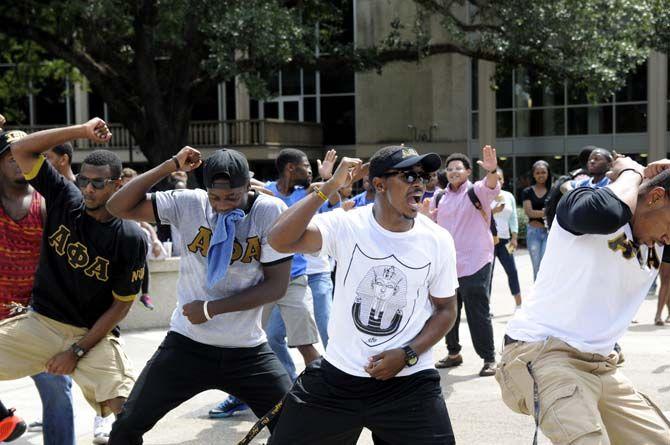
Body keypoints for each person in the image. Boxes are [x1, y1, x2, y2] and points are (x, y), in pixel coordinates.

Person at [267, 145, 458, 445]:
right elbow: (278, 239)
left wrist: (407, 355)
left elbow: (447, 310)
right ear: (379, 184)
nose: (419, 183)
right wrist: (329, 186)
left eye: (424, 176)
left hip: (409, 384)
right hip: (338, 379)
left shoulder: (438, 240)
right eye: (409, 175)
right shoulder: (347, 225)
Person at [106, 146, 293, 443]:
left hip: (247, 350)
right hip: (187, 345)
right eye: (215, 197)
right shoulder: (188, 203)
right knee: (127, 425)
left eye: (232, 197)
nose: (222, 206)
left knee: (295, 427)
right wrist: (169, 165)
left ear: (248, 185)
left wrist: (210, 309)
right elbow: (117, 206)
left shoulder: (269, 211)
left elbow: (276, 286)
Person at [497, 156, 670, 444]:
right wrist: (631, 172)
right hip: (543, 355)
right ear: (655, 197)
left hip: (601, 366)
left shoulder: (660, 236)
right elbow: (603, 213)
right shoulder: (584, 202)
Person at [1, 119, 146, 421]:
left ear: (118, 185)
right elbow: (20, 148)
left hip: (91, 335)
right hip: (42, 324)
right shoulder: (65, 199)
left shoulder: (129, 237)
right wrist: (81, 130)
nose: (89, 189)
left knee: (127, 408)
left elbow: (120, 307)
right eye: (84, 181)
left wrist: (76, 352)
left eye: (98, 184)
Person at [0, 130, 76, 445]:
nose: (19, 162)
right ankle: (4, 419)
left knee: (57, 388)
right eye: (10, 157)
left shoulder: (47, 205)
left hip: (36, 319)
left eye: (25, 156)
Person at [432, 148, 500, 377]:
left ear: (468, 171)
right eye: (449, 169)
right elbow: (430, 223)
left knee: (477, 311)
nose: (453, 172)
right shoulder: (439, 196)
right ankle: (453, 353)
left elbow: (491, 184)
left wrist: (491, 170)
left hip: (476, 261)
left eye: (458, 168)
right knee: (447, 309)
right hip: (448, 264)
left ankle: (489, 358)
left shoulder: (477, 191)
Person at [491, 168, 522, 309]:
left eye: (500, 178)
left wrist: (514, 237)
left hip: (505, 241)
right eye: (494, 178)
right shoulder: (484, 195)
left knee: (512, 271)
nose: (497, 181)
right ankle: (487, 307)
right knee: (487, 276)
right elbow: (477, 216)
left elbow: (513, 217)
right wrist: (494, 211)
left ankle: (519, 304)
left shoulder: (509, 196)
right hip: (488, 242)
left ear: (503, 180)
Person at [522, 160, 551, 279]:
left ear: (548, 173)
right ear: (533, 175)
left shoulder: (553, 191)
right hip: (533, 232)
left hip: (549, 233)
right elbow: (529, 212)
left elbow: (556, 212)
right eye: (538, 173)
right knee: (537, 267)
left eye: (543, 172)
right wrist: (546, 212)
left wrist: (540, 213)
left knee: (547, 266)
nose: (541, 175)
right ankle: (538, 296)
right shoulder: (527, 192)